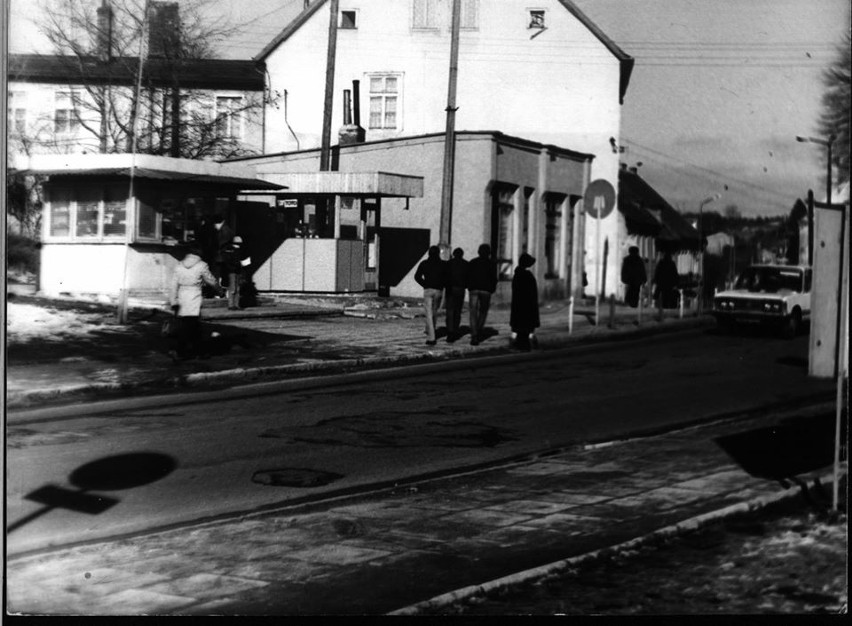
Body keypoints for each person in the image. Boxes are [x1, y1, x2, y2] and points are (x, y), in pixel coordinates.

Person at [168, 246, 224, 360]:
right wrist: (220, 290)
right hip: (194, 297)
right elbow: (211, 280)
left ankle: (193, 351)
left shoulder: (179, 266)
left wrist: (173, 300)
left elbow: (173, 285)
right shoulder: (201, 265)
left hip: (182, 297)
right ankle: (185, 351)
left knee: (187, 324)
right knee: (191, 325)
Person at [414, 245, 446, 346]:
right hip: (439, 290)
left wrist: (425, 284)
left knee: (428, 313)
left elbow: (417, 276)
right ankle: (430, 330)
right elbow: (446, 277)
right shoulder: (442, 264)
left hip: (428, 290)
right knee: (434, 312)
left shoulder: (424, 263)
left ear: (429, 253)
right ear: (438, 253)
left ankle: (431, 337)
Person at [466, 243, 498, 346]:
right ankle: (478, 331)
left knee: (473, 312)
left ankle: (474, 335)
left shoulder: (472, 262)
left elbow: (468, 275)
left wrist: (469, 286)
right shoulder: (492, 264)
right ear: (489, 253)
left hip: (474, 290)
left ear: (478, 252)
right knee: (483, 311)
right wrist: (492, 289)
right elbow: (494, 279)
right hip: (486, 291)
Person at [510, 252, 540, 351]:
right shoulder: (527, 275)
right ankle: (524, 347)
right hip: (527, 307)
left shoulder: (517, 274)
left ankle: (519, 346)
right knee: (525, 330)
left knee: (520, 329)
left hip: (518, 306)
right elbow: (531, 293)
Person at [444, 247, 469, 343]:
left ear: (453, 254)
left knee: (450, 312)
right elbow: (468, 277)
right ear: (462, 254)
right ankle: (455, 330)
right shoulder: (466, 264)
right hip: (460, 289)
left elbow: (445, 276)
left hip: (450, 289)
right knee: (457, 312)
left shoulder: (449, 263)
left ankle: (450, 332)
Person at [221, 235, 250, 310]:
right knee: (235, 289)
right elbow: (241, 261)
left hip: (234, 271)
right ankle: (233, 305)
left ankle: (234, 305)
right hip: (235, 271)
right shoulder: (234, 250)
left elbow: (227, 261)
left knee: (235, 289)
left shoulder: (229, 250)